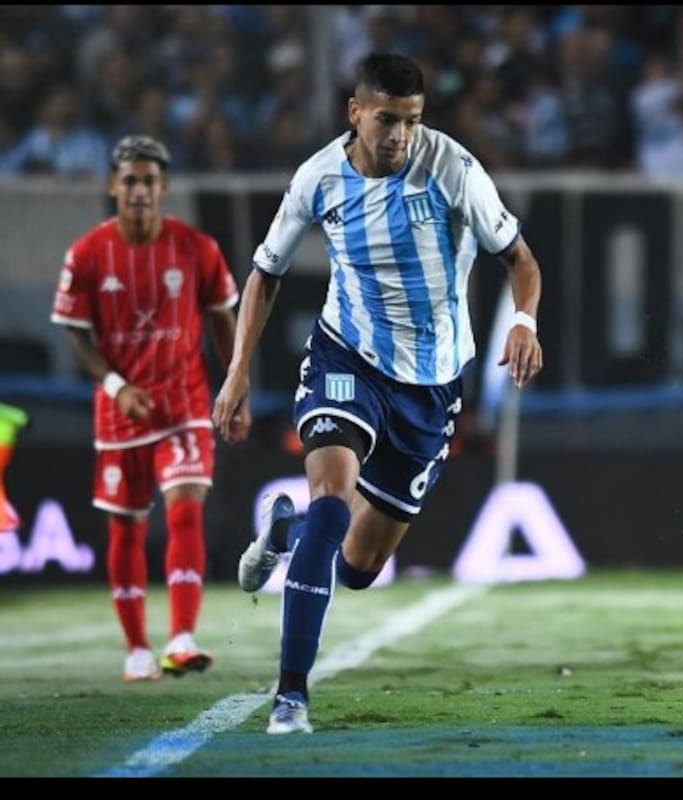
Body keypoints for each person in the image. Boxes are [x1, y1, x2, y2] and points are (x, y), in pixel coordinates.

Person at [212, 53, 543, 734]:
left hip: (432, 387)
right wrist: (239, 368)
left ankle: (284, 530)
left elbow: (520, 258)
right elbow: (264, 273)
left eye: (412, 120)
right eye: (387, 118)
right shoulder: (318, 178)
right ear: (355, 112)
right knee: (331, 504)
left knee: (360, 567)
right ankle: (291, 695)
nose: (399, 134)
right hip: (349, 358)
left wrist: (524, 321)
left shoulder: (452, 168)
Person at [50, 135, 245, 681]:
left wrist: (235, 387)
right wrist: (115, 385)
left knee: (185, 509)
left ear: (163, 188)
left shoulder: (197, 249)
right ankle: (137, 649)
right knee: (127, 530)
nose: (139, 190)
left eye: (149, 181)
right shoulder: (88, 254)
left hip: (183, 403)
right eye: (129, 180)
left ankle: (181, 637)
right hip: (121, 412)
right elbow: (75, 332)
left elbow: (222, 317)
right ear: (114, 185)